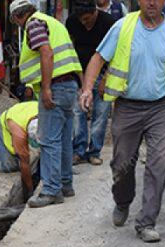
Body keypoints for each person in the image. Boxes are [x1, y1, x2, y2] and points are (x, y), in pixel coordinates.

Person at [80, 0, 165, 243]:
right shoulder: (123, 27)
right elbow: (98, 58)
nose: (151, 2)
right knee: (121, 164)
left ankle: (146, 222)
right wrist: (88, 89)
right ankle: (122, 201)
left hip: (160, 109)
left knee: (159, 165)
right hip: (127, 106)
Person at [10, 0, 83, 208]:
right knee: (64, 139)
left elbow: (46, 51)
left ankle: (51, 190)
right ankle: (66, 184)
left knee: (49, 140)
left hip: (56, 87)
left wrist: (47, 88)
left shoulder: (33, 24)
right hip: (69, 85)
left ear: (17, 17)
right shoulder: (53, 22)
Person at [66, 0, 115, 166]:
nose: (84, 23)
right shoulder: (72, 22)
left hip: (103, 74)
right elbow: (70, 49)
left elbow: (116, 55)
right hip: (79, 74)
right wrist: (78, 77)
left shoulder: (109, 23)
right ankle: (78, 151)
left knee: (100, 114)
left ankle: (94, 151)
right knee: (78, 113)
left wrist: (106, 79)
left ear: (95, 12)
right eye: (81, 20)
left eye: (87, 19)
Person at [0, 101, 40, 199]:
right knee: (9, 166)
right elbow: (25, 161)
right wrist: (29, 191)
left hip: (23, 114)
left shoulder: (46, 117)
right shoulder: (19, 131)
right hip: (6, 122)